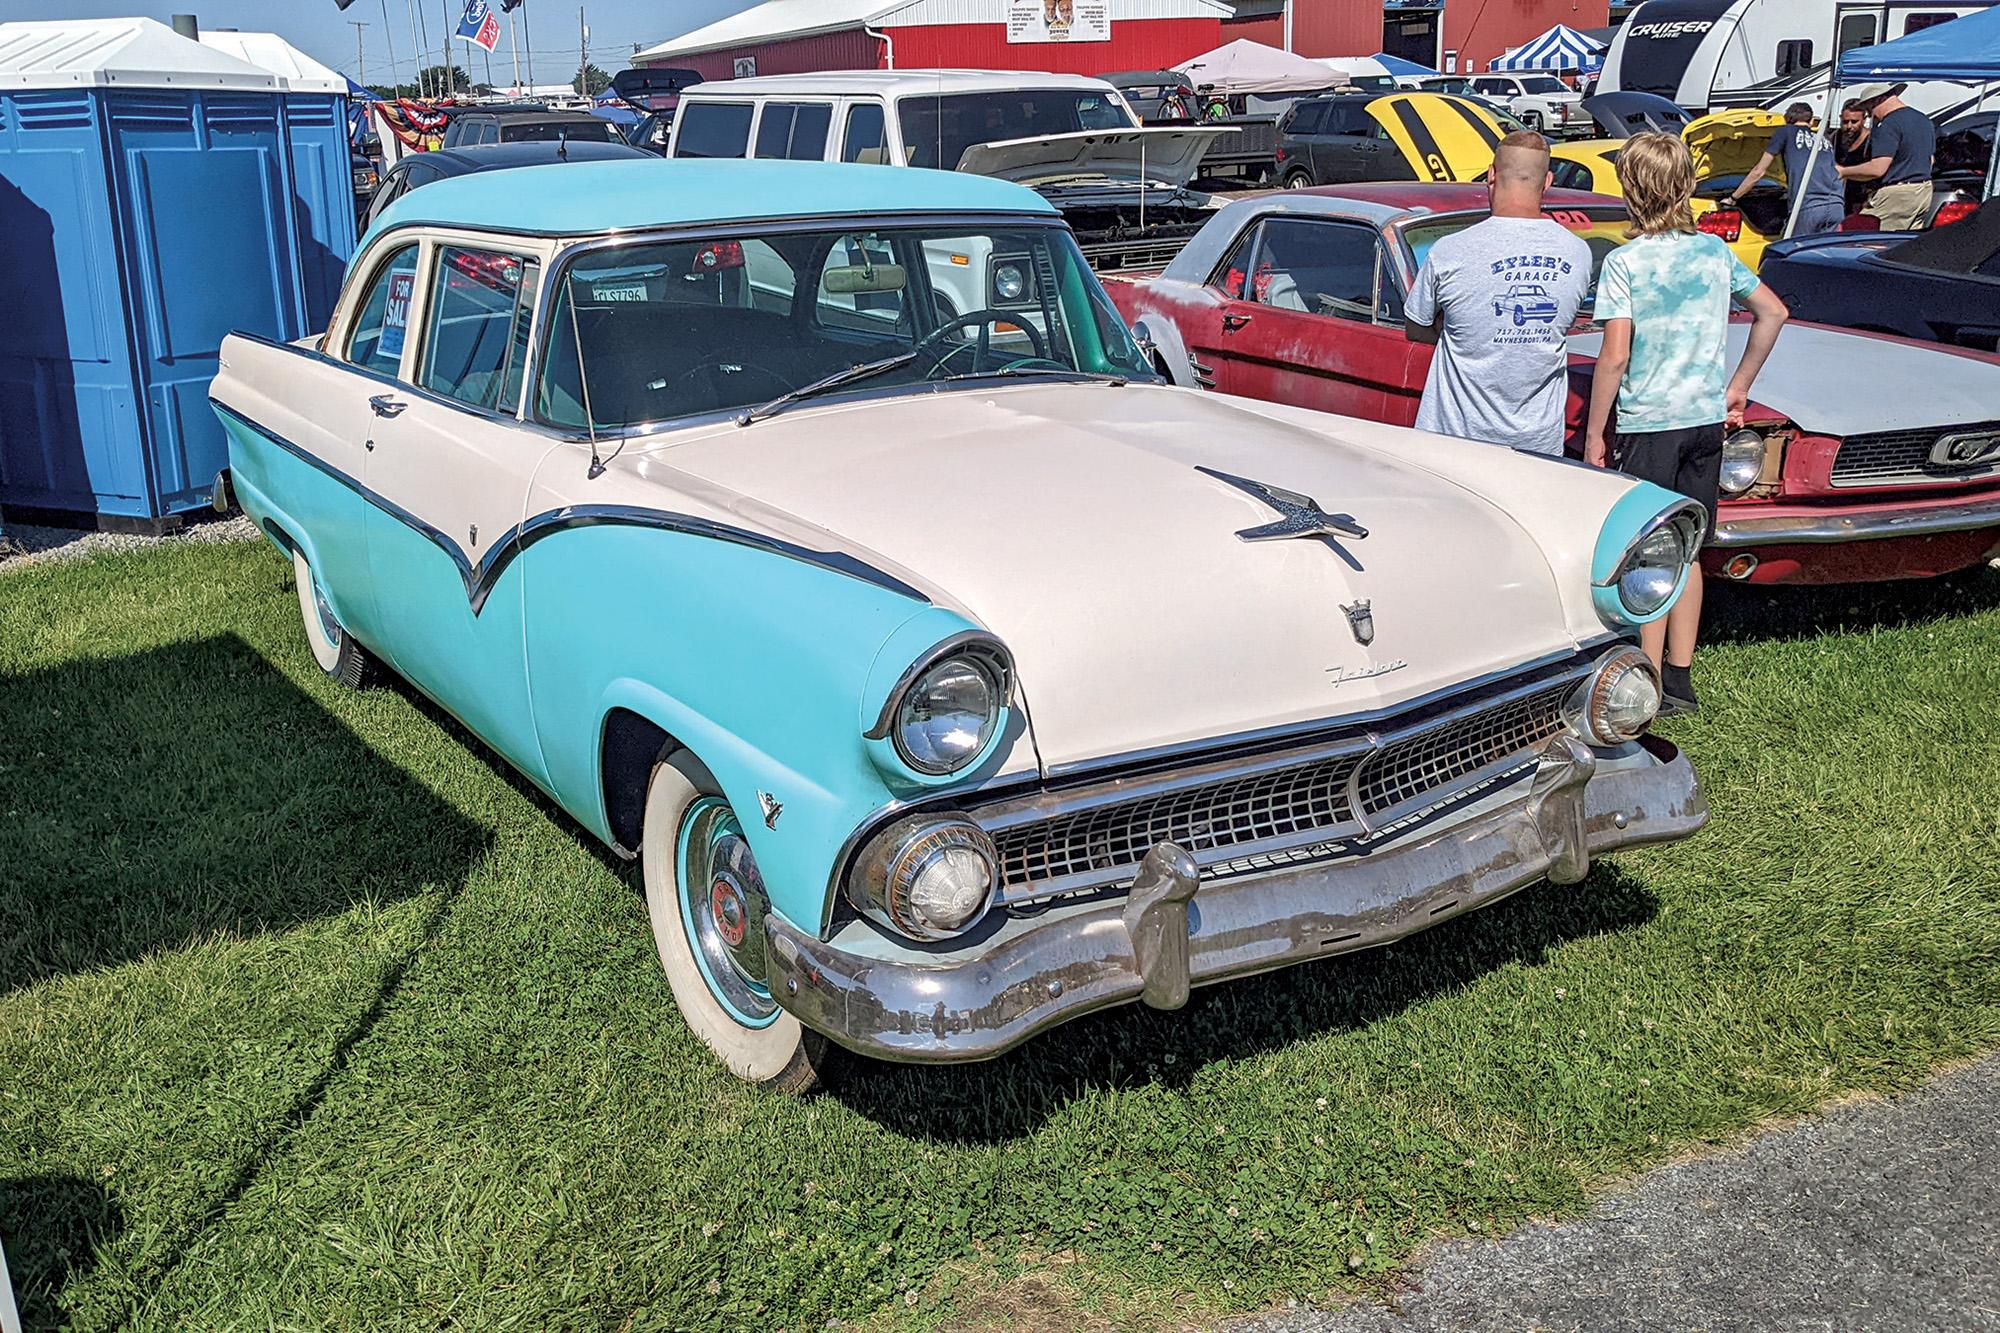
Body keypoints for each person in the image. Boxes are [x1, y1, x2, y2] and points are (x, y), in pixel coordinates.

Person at [1583, 132, 1789, 715]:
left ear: (1632, 188)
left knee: (1648, 548)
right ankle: (1680, 675)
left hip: (1650, 421)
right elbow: (1773, 311)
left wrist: (1598, 431)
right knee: (1690, 547)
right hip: (1704, 419)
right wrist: (1739, 385)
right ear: (1686, 186)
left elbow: (1615, 355)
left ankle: (1644, 676)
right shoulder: (1713, 254)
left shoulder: (1625, 263)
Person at [1403, 131, 1593, 455]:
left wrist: (1455, 329)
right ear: (1547, 181)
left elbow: (1415, 326)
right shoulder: (1578, 253)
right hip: (1539, 448)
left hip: (1456, 444)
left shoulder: (1449, 251)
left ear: (1491, 175)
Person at [1729, 102, 1847, 235]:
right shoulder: (1823, 139)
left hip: (1808, 206)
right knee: (1827, 252)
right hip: (1836, 206)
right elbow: (1838, 171)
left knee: (1797, 252)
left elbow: (1759, 171)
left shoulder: (1784, 132)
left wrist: (1733, 198)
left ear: (1787, 120)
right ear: (1812, 121)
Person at [1838, 83, 1936, 230]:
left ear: (1877, 100)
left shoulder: (1888, 124)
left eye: (1869, 109)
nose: (1870, 115)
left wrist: (1843, 172)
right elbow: (1931, 160)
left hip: (1897, 194)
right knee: (1904, 244)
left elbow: (1877, 168)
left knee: (1864, 236)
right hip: (1924, 190)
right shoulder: (1923, 120)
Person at [1833, 98, 1873, 215]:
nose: (1849, 126)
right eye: (1845, 122)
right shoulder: (1835, 138)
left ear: (1864, 120)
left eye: (1854, 122)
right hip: (1839, 197)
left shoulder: (1872, 140)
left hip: (1862, 199)